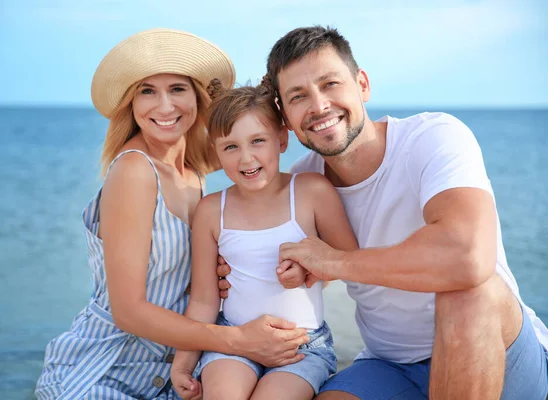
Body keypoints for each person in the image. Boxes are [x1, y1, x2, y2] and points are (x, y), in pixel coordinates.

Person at [217, 26, 548, 400]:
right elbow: (290, 263)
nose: (319, 105)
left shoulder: (432, 138)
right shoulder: (301, 185)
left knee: (468, 292)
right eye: (298, 96)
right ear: (285, 118)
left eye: (330, 84)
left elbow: (467, 258)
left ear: (362, 85)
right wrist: (234, 272)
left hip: (501, 356)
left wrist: (337, 262)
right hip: (389, 365)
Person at [35, 28, 310, 400]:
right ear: (130, 104)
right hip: (106, 368)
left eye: (177, 89)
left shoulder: (191, 167)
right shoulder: (134, 171)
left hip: (169, 372)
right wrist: (239, 340)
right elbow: (128, 313)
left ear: (197, 97)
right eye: (147, 91)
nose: (165, 107)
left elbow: (262, 136)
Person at [170, 80, 358, 400]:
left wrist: (310, 269)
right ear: (215, 150)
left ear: (281, 139)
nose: (246, 159)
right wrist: (183, 363)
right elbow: (204, 299)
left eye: (258, 141)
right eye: (231, 146)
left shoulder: (312, 192)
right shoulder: (211, 210)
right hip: (232, 341)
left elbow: (349, 260)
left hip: (301, 346)